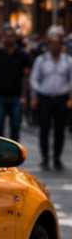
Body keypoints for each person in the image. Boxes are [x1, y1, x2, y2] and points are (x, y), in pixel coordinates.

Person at [28, 26, 72, 171]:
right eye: (52, 43)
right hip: (44, 98)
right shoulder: (41, 60)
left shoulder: (68, 61)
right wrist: (35, 96)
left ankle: (57, 158)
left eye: (58, 43)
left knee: (60, 130)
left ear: (61, 45)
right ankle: (45, 157)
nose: (55, 46)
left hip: (61, 98)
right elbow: (34, 79)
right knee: (44, 129)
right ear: (49, 45)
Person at [0, 27, 30, 141]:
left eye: (11, 36)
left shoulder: (22, 55)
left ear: (15, 38)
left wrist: (24, 96)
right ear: (2, 38)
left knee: (15, 127)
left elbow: (26, 77)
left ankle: (14, 155)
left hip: (16, 96)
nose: (8, 38)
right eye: (6, 36)